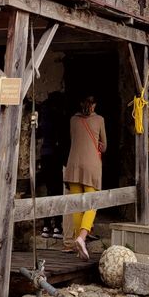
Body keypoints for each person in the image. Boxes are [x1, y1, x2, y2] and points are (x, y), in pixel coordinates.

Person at [64, 95, 106, 260]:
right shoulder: (100, 120)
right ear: (94, 105)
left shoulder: (73, 120)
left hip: (73, 165)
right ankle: (82, 237)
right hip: (91, 167)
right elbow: (104, 147)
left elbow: (74, 139)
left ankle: (77, 243)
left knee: (76, 205)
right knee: (92, 203)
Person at [37, 91, 67, 241]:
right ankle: (58, 225)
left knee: (49, 190)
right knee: (57, 191)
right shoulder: (59, 115)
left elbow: (38, 133)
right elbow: (63, 137)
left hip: (45, 153)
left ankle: (46, 224)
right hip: (56, 154)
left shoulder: (43, 113)